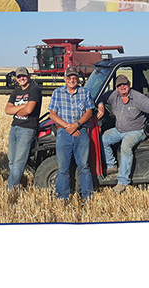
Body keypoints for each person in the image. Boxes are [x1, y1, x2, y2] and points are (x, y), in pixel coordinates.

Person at [97, 74, 149, 193]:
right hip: (119, 130)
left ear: (129, 85)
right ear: (116, 87)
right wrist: (100, 106)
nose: (122, 87)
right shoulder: (113, 96)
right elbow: (99, 97)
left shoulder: (137, 97)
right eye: (119, 85)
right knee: (103, 139)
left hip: (136, 131)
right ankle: (111, 166)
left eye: (124, 84)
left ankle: (122, 182)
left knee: (126, 147)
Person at [48, 66, 95, 201]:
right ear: (65, 79)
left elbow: (89, 112)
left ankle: (87, 196)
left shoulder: (85, 92)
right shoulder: (57, 93)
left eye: (74, 78)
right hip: (63, 134)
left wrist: (76, 125)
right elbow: (52, 114)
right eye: (69, 78)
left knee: (84, 166)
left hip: (81, 133)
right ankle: (62, 196)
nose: (72, 80)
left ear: (78, 79)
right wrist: (68, 127)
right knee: (63, 168)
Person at [5, 66, 41, 189]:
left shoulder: (34, 89)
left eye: (24, 76)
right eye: (19, 76)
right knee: (11, 160)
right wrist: (23, 107)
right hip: (14, 127)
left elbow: (29, 110)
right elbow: (7, 110)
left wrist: (19, 109)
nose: (22, 78)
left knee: (19, 161)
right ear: (16, 78)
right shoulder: (16, 91)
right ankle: (16, 183)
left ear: (28, 76)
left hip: (27, 129)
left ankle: (11, 189)